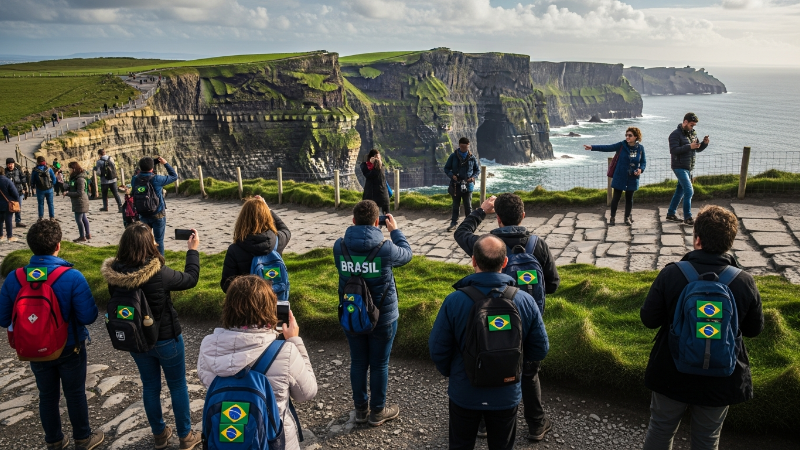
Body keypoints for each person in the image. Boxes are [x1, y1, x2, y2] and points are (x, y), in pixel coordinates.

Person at [640, 205, 763, 449]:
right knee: (707, 439)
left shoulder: (672, 274)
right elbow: (754, 329)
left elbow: (649, 319)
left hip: (671, 372)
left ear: (697, 239)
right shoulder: (744, 281)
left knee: (661, 430)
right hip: (721, 377)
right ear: (729, 242)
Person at [454, 193, 559, 441]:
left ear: (498, 218)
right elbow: (553, 284)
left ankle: (483, 423)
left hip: (488, 321)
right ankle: (536, 424)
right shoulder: (537, 244)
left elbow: (461, 233)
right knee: (529, 372)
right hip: (527, 321)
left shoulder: (485, 244)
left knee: (488, 364)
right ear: (523, 216)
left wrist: (481, 210)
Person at [429, 234, 549, 450]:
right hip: (507, 392)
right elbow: (540, 348)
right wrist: (514, 364)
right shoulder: (525, 300)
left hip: (464, 392)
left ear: (473, 260)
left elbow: (437, 349)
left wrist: (455, 372)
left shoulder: (454, 300)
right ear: (505, 262)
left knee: (460, 444)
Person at [0, 220, 103, 450]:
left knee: (47, 395)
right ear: (58, 245)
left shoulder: (15, 278)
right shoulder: (72, 276)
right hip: (69, 345)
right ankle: (83, 438)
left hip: (33, 346)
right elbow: (88, 316)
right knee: (75, 393)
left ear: (30, 246)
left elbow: (3, 319)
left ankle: (54, 441)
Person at [100, 224, 202, 450]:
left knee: (150, 386)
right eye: (153, 239)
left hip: (137, 340)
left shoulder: (115, 274)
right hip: (167, 339)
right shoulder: (158, 273)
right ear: (148, 245)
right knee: (177, 385)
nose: (156, 241)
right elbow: (191, 279)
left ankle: (159, 434)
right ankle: (185, 436)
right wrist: (192, 250)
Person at [197, 275, 318, 450]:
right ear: (269, 309)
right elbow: (307, 393)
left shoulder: (208, 345)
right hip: (274, 441)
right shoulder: (285, 351)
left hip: (226, 439)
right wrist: (294, 340)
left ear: (228, 307)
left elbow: (207, 381)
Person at [332, 200, 413, 426]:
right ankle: (378, 412)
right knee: (379, 364)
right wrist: (395, 231)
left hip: (352, 313)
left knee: (358, 362)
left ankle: (360, 410)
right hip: (383, 317)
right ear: (377, 222)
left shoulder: (339, 247)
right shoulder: (386, 249)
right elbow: (407, 254)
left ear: (353, 220)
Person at [220, 195, 291, 292]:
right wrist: (268, 209)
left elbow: (227, 285)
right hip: (275, 299)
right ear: (268, 218)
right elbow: (285, 230)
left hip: (249, 300)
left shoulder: (235, 249)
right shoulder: (278, 240)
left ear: (242, 220)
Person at [583, 127, 647, 226]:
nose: (627, 137)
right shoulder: (621, 145)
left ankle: (627, 218)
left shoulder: (640, 148)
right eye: (626, 135)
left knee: (629, 198)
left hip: (632, 177)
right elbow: (607, 147)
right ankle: (612, 218)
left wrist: (640, 169)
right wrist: (592, 147)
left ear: (636, 137)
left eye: (630, 135)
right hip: (620, 176)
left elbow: (643, 162)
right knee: (616, 198)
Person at [667, 112, 709, 226]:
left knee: (680, 191)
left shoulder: (692, 133)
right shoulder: (675, 134)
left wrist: (704, 144)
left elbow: (697, 149)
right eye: (691, 125)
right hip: (679, 166)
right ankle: (688, 217)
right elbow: (673, 150)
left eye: (694, 125)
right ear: (685, 122)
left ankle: (671, 214)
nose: (692, 127)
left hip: (688, 167)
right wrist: (689, 146)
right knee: (689, 191)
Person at [131, 156, 178, 255]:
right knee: (159, 240)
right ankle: (160, 262)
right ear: (152, 168)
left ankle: (145, 260)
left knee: (145, 240)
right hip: (158, 213)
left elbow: (144, 171)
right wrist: (165, 163)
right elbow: (174, 176)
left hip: (143, 214)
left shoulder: (135, 179)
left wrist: (151, 164)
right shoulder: (156, 179)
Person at [444, 137, 480, 231]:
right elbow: (446, 168)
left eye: (466, 147)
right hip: (456, 185)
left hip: (468, 185)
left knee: (468, 206)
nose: (464, 149)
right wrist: (452, 175)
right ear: (459, 145)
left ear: (468, 146)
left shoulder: (472, 157)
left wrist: (473, 178)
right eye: (462, 147)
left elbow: (477, 170)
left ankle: (469, 225)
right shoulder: (453, 156)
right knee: (455, 206)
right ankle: (453, 224)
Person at [64, 162, 91, 242]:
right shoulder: (76, 178)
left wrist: (67, 193)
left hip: (80, 202)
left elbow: (79, 193)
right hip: (79, 201)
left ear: (74, 169)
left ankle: (82, 236)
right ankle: (88, 234)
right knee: (83, 218)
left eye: (70, 169)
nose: (69, 170)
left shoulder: (80, 179)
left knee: (78, 219)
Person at [360, 149, 390, 215]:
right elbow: (368, 174)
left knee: (381, 217)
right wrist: (372, 163)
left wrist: (375, 164)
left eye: (378, 158)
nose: (378, 160)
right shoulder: (366, 167)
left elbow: (373, 174)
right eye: (376, 158)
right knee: (371, 216)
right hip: (372, 197)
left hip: (381, 197)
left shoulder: (381, 167)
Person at [33, 156, 57, 220]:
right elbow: (54, 178)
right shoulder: (49, 169)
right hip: (49, 189)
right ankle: (52, 217)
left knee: (40, 204)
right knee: (50, 204)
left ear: (37, 162)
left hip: (40, 189)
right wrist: (52, 185)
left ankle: (41, 217)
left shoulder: (35, 170)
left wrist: (33, 187)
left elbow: (32, 180)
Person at [5, 158, 27, 227]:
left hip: (18, 191)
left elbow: (23, 178)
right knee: (9, 208)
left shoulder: (18, 170)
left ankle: (18, 221)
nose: (10, 165)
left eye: (11, 164)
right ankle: (8, 222)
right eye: (9, 164)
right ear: (7, 165)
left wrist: (25, 188)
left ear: (14, 164)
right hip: (8, 193)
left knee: (18, 207)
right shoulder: (4, 172)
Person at [0, 168, 20, 243]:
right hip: (7, 203)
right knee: (8, 219)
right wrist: (16, 200)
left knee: (0, 220)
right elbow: (15, 193)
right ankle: (10, 236)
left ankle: (1, 236)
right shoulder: (7, 181)